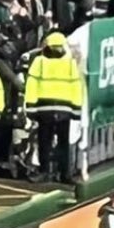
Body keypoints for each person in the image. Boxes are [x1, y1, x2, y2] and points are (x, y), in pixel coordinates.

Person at [23, 31, 82, 182]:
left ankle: (45, 172)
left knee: (45, 142)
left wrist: (30, 108)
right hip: (64, 109)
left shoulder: (39, 62)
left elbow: (32, 85)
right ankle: (64, 174)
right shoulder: (70, 64)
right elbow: (76, 87)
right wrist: (76, 110)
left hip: (44, 108)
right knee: (63, 142)